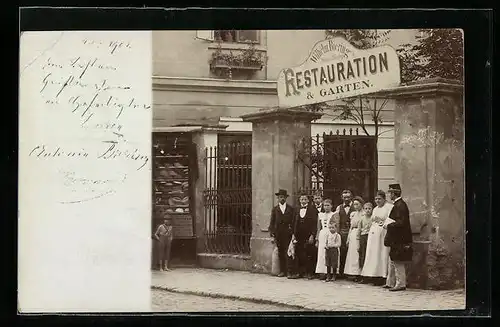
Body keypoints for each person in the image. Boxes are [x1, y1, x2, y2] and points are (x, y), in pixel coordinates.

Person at [383, 184, 413, 292]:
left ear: (394, 194)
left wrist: (388, 225)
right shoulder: (398, 204)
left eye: (390, 193)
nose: (389, 195)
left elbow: (401, 222)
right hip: (396, 238)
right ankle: (390, 282)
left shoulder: (400, 205)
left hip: (399, 238)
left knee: (397, 260)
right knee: (393, 260)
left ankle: (400, 283)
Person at [361, 190, 394, 285]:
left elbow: (390, 220)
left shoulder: (389, 207)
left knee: (382, 254)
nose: (377, 201)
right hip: (374, 235)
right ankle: (373, 275)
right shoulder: (375, 209)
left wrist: (382, 221)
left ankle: (382, 276)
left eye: (379, 199)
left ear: (384, 199)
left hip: (383, 233)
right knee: (373, 254)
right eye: (376, 199)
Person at [289, 193, 318, 280]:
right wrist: (293, 234)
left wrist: (312, 235)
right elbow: (294, 222)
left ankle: (309, 273)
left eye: (305, 199)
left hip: (308, 234)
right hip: (298, 234)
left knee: (309, 253)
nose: (303, 201)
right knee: (298, 253)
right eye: (302, 199)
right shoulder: (296, 209)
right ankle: (299, 272)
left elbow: (314, 223)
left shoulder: (312, 209)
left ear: (308, 200)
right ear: (299, 200)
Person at [269, 189, 295, 278]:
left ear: (286, 198)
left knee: (288, 252)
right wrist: (272, 234)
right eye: (280, 197)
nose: (282, 199)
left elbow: (293, 221)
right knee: (280, 252)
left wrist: (292, 233)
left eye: (283, 197)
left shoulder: (290, 209)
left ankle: (289, 271)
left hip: (287, 233)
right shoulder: (275, 209)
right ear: (278, 198)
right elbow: (272, 222)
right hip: (278, 233)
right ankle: (282, 271)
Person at [335, 190, 355, 279]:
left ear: (351, 197)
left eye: (348, 197)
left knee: (352, 252)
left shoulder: (355, 206)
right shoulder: (339, 208)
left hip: (352, 232)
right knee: (342, 252)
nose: (346, 199)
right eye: (344, 197)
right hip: (342, 232)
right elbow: (336, 221)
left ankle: (351, 273)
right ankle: (341, 272)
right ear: (342, 198)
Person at [343, 196, 364, 281]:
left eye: (357, 204)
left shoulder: (364, 213)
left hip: (359, 234)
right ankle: (352, 273)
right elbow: (351, 227)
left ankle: (359, 273)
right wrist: (348, 238)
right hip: (353, 234)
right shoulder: (353, 214)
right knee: (352, 254)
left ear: (361, 204)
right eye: (354, 204)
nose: (356, 206)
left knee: (358, 253)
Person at [315, 199, 335, 279]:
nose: (326, 207)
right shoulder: (320, 215)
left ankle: (330, 272)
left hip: (330, 234)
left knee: (330, 253)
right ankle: (322, 272)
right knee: (322, 253)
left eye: (328, 205)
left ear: (331, 206)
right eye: (325, 205)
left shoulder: (333, 214)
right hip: (322, 234)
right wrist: (317, 239)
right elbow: (318, 227)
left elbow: (336, 226)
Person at [357, 201, 373, 283]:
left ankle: (370, 275)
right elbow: (359, 230)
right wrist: (358, 242)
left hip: (371, 237)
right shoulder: (362, 218)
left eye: (369, 209)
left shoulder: (373, 218)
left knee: (369, 255)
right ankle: (363, 276)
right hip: (363, 237)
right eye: (366, 209)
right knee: (362, 255)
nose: (368, 210)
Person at [324, 218, 341, 282]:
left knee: (334, 263)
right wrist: (326, 246)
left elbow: (339, 244)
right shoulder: (328, 235)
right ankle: (328, 275)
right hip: (328, 251)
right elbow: (326, 242)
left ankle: (334, 275)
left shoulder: (337, 235)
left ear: (336, 228)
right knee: (328, 263)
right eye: (330, 228)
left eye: (333, 227)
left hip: (334, 250)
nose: (331, 229)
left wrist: (333, 245)